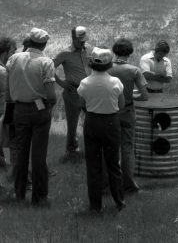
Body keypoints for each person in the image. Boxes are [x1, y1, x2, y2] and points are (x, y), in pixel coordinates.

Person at [6, 28, 56, 206]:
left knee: (21, 153)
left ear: (29, 41)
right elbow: (51, 95)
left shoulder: (14, 58)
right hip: (39, 110)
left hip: (19, 109)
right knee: (38, 156)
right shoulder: (46, 62)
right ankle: (39, 197)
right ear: (44, 44)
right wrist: (49, 106)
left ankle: (19, 193)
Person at [77, 47, 126, 212]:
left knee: (93, 165)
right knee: (113, 164)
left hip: (91, 122)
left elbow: (82, 104)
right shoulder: (115, 82)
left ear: (91, 63)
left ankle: (95, 205)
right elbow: (122, 105)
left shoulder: (85, 83)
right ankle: (119, 201)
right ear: (109, 64)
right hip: (111, 122)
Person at [109, 38, 148, 193]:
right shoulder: (134, 70)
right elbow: (145, 96)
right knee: (127, 149)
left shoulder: (106, 68)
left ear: (114, 51)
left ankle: (109, 183)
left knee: (111, 148)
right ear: (129, 53)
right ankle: (129, 184)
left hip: (110, 113)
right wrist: (130, 97)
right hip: (128, 113)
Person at [53, 26, 91, 159]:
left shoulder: (88, 50)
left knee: (93, 120)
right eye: (80, 41)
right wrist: (61, 82)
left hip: (89, 92)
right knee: (72, 123)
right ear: (73, 38)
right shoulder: (65, 53)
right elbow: (49, 68)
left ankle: (91, 148)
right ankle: (71, 151)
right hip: (73, 91)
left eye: (84, 41)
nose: (83, 43)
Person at [0, 37, 17, 169]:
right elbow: (8, 97)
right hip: (3, 115)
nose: (15, 53)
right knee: (14, 144)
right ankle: (17, 174)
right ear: (5, 52)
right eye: (13, 50)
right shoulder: (3, 72)